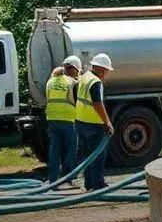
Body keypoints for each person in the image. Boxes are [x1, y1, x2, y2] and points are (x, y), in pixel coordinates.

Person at [76, 53, 115, 191]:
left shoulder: (85, 77)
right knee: (99, 153)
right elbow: (97, 103)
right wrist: (107, 122)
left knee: (87, 154)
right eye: (106, 71)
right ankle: (98, 183)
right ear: (101, 69)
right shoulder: (95, 82)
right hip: (93, 123)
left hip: (80, 121)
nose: (106, 74)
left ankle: (89, 183)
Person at [45, 55, 82, 186]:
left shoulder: (50, 81)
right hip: (67, 119)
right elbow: (78, 101)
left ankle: (53, 179)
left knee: (55, 149)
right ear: (74, 69)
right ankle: (68, 176)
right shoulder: (72, 83)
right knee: (71, 149)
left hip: (52, 119)